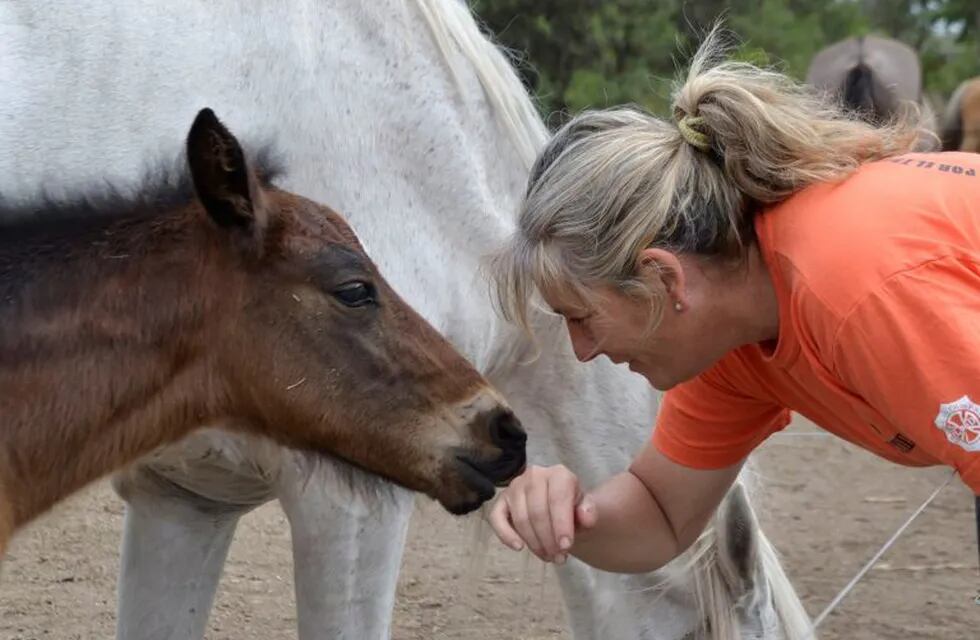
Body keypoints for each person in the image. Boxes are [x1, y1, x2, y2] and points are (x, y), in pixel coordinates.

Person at [486, 29, 980, 573]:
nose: (582, 350)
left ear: (663, 280)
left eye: (580, 317)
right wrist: (567, 516)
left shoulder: (855, 290)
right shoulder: (729, 340)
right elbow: (660, 517)